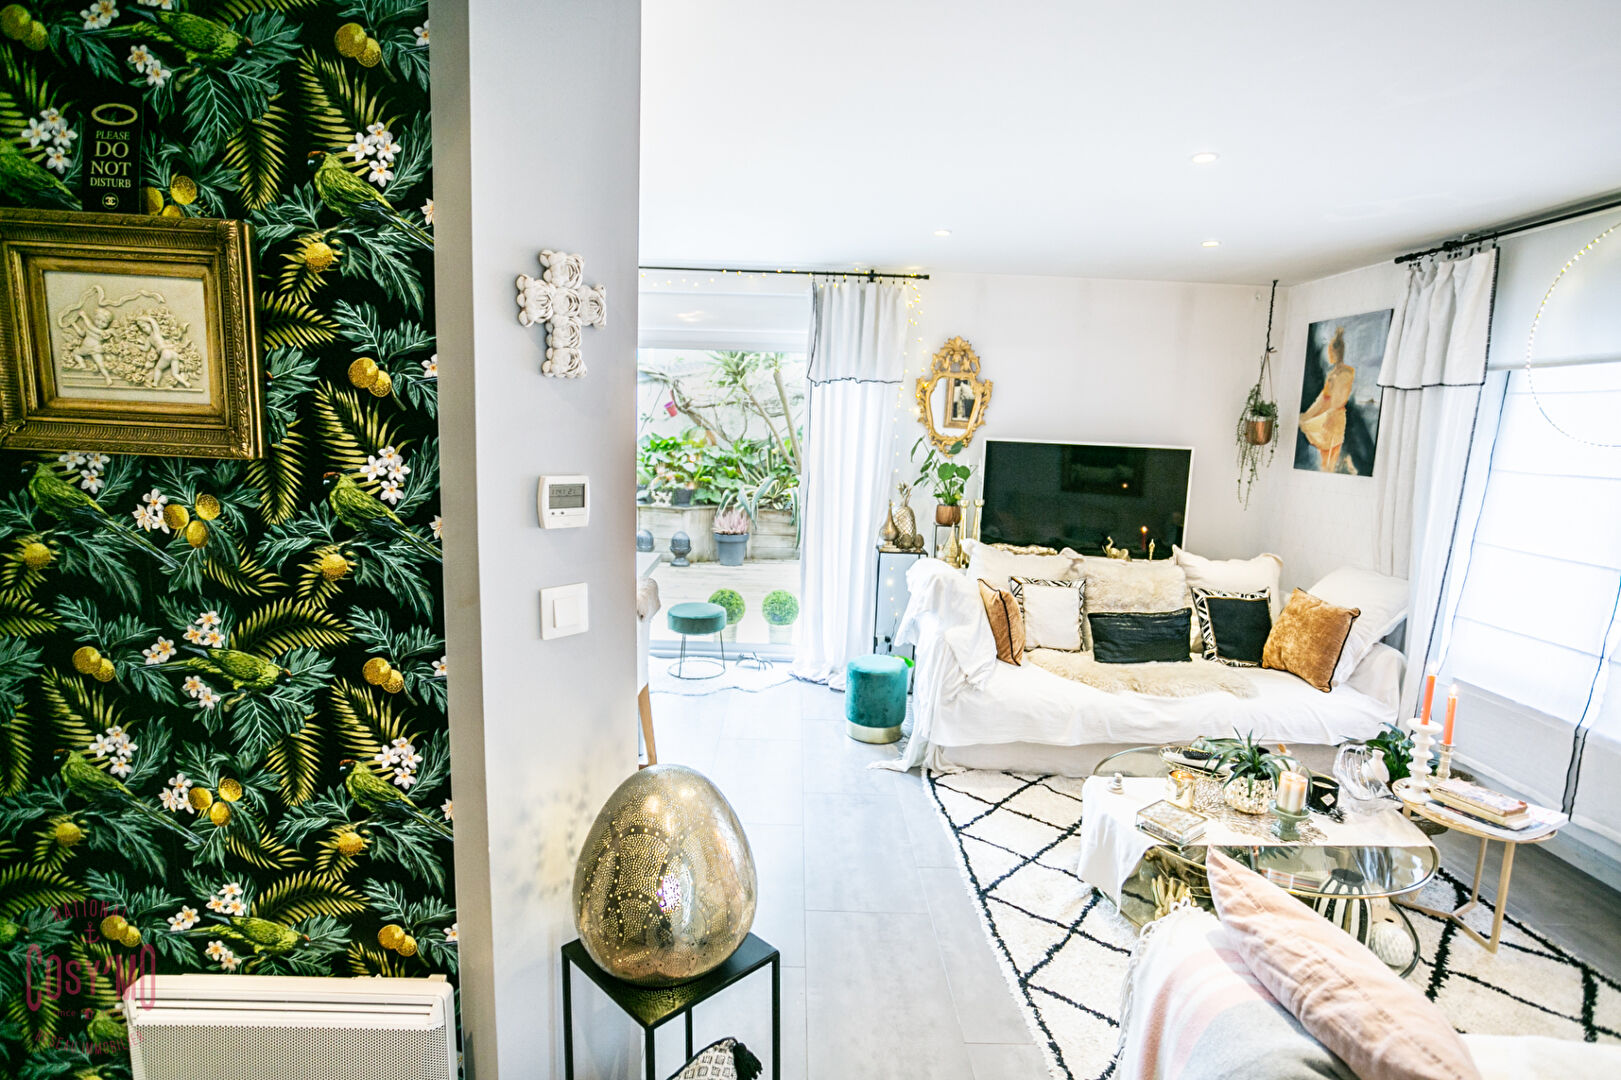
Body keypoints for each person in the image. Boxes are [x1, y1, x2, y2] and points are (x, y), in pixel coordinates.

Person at [1299, 326, 1355, 473]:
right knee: (1325, 459)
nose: (1330, 354)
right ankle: (1342, 463)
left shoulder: (1347, 372)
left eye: (1332, 351)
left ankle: (1344, 462)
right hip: (1328, 417)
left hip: (1335, 418)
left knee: (1332, 456)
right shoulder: (1331, 374)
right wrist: (1308, 415)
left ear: (1338, 352)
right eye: (1329, 350)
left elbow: (1337, 401)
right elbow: (1323, 398)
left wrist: (1322, 414)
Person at [136, 315, 191, 389]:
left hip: (166, 353)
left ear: (150, 325)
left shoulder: (156, 333)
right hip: (173, 354)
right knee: (175, 374)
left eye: (144, 327)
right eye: (142, 329)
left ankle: (155, 383)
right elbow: (146, 348)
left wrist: (140, 318)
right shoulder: (149, 339)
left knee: (158, 369)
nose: (144, 330)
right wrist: (136, 345)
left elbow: (152, 320)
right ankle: (186, 383)